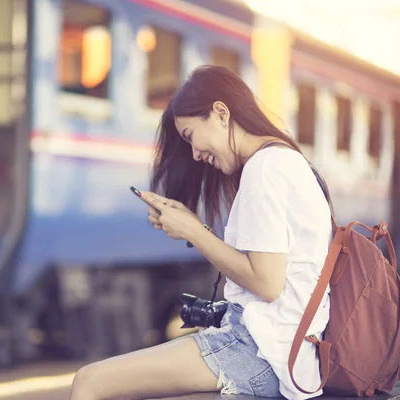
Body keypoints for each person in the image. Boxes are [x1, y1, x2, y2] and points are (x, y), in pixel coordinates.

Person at [69, 65, 333, 400]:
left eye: (191, 136)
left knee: (89, 382)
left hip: (260, 354)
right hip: (278, 351)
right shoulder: (282, 160)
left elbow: (267, 283)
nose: (195, 154)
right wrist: (195, 228)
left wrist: (194, 231)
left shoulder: (264, 169)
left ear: (220, 113)